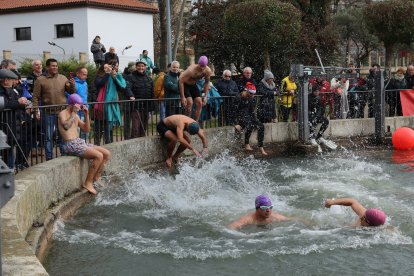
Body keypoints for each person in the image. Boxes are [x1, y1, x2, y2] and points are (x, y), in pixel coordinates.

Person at [58, 94, 111, 195]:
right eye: (78, 106)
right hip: (70, 144)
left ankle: (96, 177)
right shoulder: (63, 114)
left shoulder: (76, 115)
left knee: (106, 153)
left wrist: (86, 115)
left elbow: (86, 129)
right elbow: (66, 126)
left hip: (79, 142)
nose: (79, 108)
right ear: (72, 105)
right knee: (98, 156)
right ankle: (88, 182)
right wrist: (73, 113)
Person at [32, 58, 75, 160]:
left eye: (56, 65)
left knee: (63, 135)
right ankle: (49, 158)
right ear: (47, 67)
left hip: (62, 113)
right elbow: (35, 97)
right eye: (53, 66)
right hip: (47, 113)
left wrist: (72, 84)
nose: (55, 67)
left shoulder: (63, 78)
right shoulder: (40, 80)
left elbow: (72, 92)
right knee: (48, 137)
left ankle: (64, 155)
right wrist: (35, 111)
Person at [234, 82, 267, 155]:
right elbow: (233, 111)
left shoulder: (252, 98)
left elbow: (251, 111)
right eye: (251, 93)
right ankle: (246, 144)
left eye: (253, 94)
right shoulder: (238, 97)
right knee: (250, 124)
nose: (252, 95)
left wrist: (256, 120)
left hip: (248, 116)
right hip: (240, 116)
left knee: (261, 126)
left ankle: (260, 147)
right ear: (246, 91)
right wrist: (236, 123)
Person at [125, 60, 154, 138]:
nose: (141, 68)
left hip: (146, 106)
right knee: (135, 128)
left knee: (143, 127)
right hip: (135, 106)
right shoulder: (130, 77)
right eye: (139, 66)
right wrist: (131, 95)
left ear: (145, 67)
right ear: (136, 67)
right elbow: (127, 88)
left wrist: (152, 106)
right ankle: (133, 144)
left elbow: (152, 92)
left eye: (142, 66)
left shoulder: (149, 78)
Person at [179, 56, 212, 122]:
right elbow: (181, 81)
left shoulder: (208, 71)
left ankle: (195, 123)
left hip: (193, 85)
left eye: (204, 66)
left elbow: (207, 83)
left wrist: (205, 96)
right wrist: (182, 97)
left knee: (199, 103)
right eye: (201, 66)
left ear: (206, 65)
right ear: (198, 64)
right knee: (189, 103)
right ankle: (185, 122)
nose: (202, 68)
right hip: (184, 84)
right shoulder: (191, 70)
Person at [308, 84, 337, 151]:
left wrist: (318, 115)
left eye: (318, 91)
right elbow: (307, 109)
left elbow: (320, 108)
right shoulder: (308, 98)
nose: (317, 93)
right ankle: (312, 137)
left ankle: (319, 136)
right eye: (315, 91)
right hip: (309, 116)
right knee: (313, 120)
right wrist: (312, 115)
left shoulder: (318, 98)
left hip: (316, 115)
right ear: (313, 91)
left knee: (326, 121)